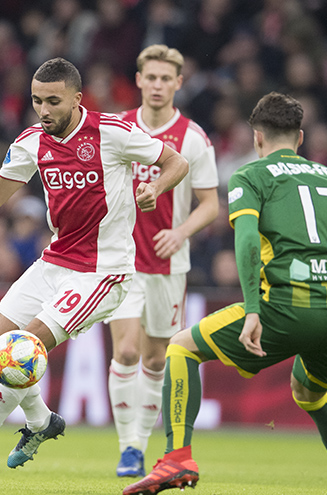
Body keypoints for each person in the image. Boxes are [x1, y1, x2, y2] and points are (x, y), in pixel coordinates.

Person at [123, 92, 327, 495]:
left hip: (287, 307)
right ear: (300, 137)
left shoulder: (251, 176)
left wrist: (252, 310)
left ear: (257, 137)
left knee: (180, 349)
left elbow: (247, 240)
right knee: (309, 393)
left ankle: (176, 459)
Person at [0, 57, 189, 476]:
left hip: (103, 270)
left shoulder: (111, 132)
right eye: (37, 100)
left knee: (24, 347)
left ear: (77, 99)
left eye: (53, 101)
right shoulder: (31, 141)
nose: (43, 110)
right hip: (56, 260)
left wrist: (155, 186)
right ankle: (41, 421)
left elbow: (176, 162)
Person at [106, 44, 218, 478]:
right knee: (126, 351)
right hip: (121, 261)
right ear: (138, 80)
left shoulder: (193, 138)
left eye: (165, 78)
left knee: (156, 361)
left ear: (178, 83)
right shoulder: (118, 128)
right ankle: (128, 449)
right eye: (150, 77)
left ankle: (140, 440)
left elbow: (210, 204)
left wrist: (180, 231)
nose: (157, 85)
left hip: (169, 266)